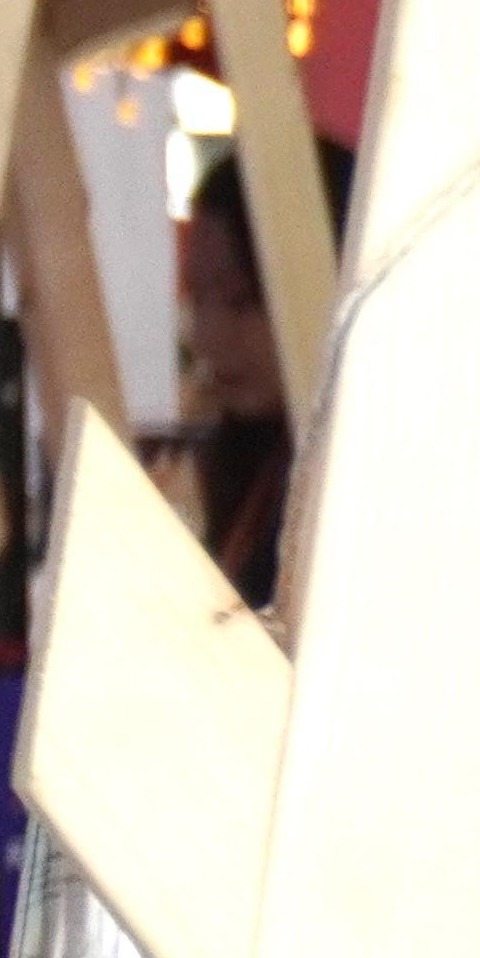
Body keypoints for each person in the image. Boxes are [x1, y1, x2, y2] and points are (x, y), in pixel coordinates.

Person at [153, 133, 351, 606]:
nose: (207, 337)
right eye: (196, 298)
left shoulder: (358, 483)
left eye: (240, 301)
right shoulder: (231, 464)